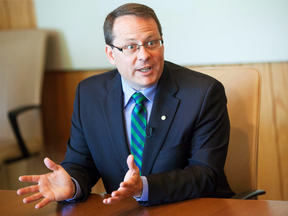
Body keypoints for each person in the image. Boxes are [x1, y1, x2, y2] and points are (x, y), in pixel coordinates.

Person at [17, 3, 235, 209]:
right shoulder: (89, 94)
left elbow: (206, 173)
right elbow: (82, 163)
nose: (144, 55)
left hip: (195, 208)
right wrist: (72, 184)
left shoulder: (203, 93)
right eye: (131, 46)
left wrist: (144, 187)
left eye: (152, 42)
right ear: (111, 54)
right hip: (124, 210)